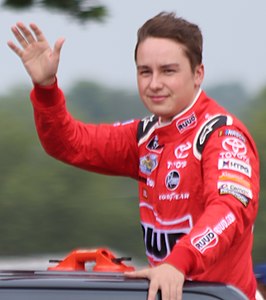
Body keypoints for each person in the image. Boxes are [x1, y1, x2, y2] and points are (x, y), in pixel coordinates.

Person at [7, 12, 261, 300]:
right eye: (145, 71)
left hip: (219, 297)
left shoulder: (223, 135)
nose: (154, 83)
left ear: (198, 74)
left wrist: (179, 261)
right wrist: (46, 88)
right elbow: (68, 143)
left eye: (168, 71)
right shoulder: (145, 137)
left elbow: (229, 210)